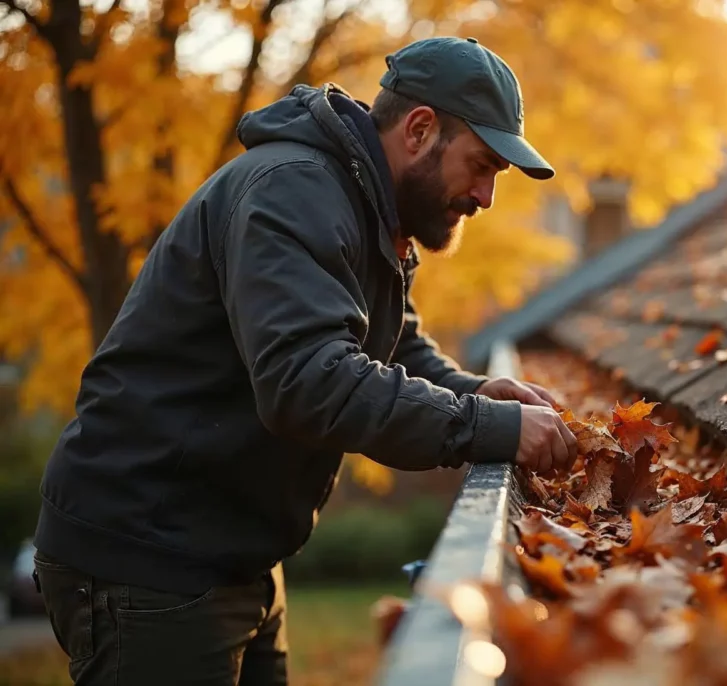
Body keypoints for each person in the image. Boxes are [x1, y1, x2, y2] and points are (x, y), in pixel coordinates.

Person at [30, 35, 578, 685]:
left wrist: (481, 392)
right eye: (482, 165)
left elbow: (390, 343)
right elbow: (307, 383)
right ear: (420, 130)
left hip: (237, 549)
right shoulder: (293, 192)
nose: (486, 197)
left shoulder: (362, 206)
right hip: (149, 558)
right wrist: (491, 429)